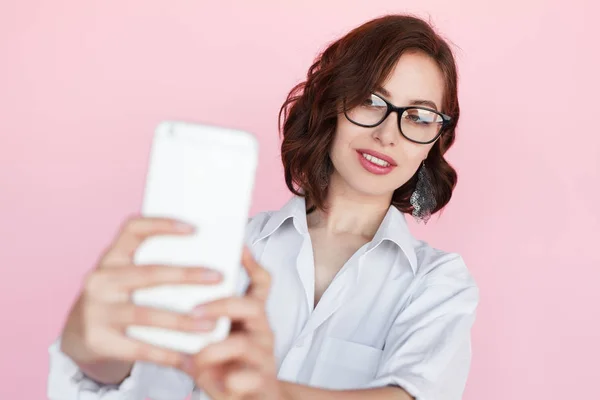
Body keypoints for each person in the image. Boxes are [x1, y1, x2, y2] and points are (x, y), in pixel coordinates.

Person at [47, 14, 479, 400]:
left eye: (419, 117)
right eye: (370, 100)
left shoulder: (438, 283)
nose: (389, 133)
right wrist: (90, 354)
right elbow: (145, 382)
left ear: (435, 141)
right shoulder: (225, 247)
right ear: (332, 106)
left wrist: (269, 393)